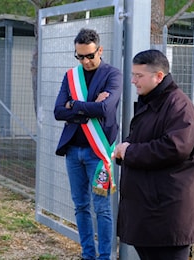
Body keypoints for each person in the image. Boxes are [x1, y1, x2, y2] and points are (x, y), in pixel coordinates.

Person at [113, 49, 194, 260]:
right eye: (133, 74)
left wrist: (130, 151)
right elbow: (145, 138)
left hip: (168, 215)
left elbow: (175, 148)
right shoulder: (152, 101)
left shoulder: (178, 105)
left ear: (158, 77)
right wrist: (126, 148)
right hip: (152, 213)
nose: (133, 81)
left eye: (139, 76)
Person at [54, 28, 122, 260]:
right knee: (81, 206)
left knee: (102, 208)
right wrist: (89, 105)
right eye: (80, 56)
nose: (85, 61)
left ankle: (105, 257)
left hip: (98, 152)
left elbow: (105, 108)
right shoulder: (71, 76)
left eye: (90, 56)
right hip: (73, 150)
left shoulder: (113, 75)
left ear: (99, 50)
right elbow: (58, 111)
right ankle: (87, 254)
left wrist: (75, 105)